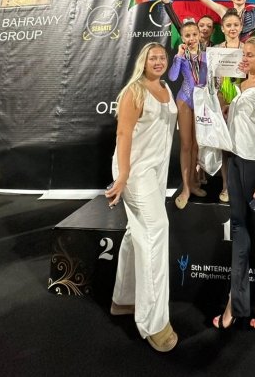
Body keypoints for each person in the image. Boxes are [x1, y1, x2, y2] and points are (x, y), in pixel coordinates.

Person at [105, 43, 178, 352]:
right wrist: (122, 175)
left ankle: (123, 299)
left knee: (135, 232)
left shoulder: (165, 88)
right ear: (143, 62)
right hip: (135, 172)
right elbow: (123, 134)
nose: (158, 61)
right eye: (152, 58)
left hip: (156, 172)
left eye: (162, 57)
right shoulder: (134, 91)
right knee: (155, 231)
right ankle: (153, 322)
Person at [213, 37, 255, 330]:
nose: (245, 58)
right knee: (239, 228)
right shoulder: (243, 84)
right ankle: (236, 302)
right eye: (244, 54)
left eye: (250, 55)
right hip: (237, 161)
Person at [168, 20, 208, 209]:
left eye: (194, 34)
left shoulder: (207, 55)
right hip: (184, 100)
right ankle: (185, 188)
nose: (191, 38)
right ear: (182, 38)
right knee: (185, 145)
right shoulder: (181, 57)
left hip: (201, 101)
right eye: (187, 35)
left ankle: (192, 182)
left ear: (199, 35)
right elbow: (173, 77)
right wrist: (178, 56)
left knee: (196, 146)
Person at [213, 9, 244, 203]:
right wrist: (222, 102)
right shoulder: (216, 50)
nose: (232, 28)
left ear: (241, 27)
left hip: (244, 102)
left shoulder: (248, 48)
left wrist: (239, 100)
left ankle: (242, 185)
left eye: (236, 25)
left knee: (242, 146)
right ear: (223, 28)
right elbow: (212, 82)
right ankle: (226, 185)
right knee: (225, 147)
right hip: (222, 101)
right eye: (228, 25)